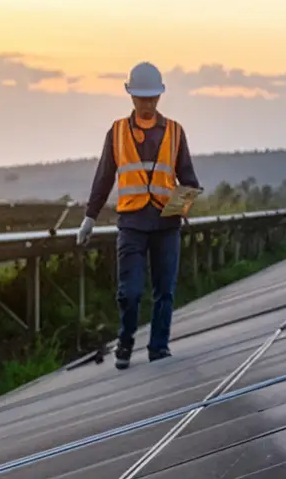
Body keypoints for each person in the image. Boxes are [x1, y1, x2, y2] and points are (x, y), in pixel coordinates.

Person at [76, 61, 200, 369]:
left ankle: (159, 348)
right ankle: (126, 340)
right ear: (131, 96)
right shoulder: (117, 132)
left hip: (165, 224)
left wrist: (179, 209)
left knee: (164, 291)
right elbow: (104, 177)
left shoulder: (174, 131)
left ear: (159, 97)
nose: (147, 103)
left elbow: (189, 180)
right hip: (131, 224)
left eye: (152, 98)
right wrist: (89, 218)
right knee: (129, 293)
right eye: (141, 97)